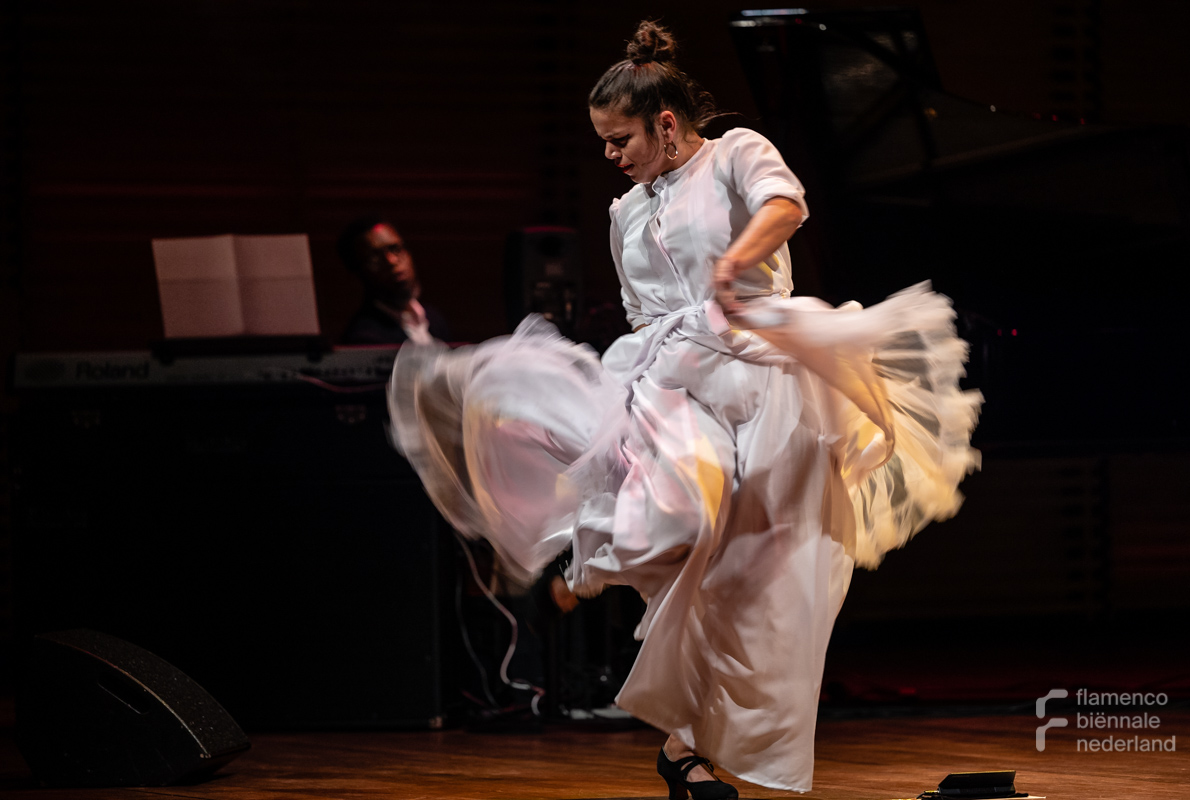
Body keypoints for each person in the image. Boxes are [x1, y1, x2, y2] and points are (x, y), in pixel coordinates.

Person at [388, 20, 981, 797]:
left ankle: (685, 749)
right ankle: (625, 615)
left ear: (666, 124)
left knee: (759, 582)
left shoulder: (736, 152)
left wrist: (736, 261)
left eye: (620, 138)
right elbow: (641, 309)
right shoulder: (623, 212)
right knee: (677, 525)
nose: (612, 155)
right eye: (603, 142)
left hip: (765, 372)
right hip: (674, 375)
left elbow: (787, 204)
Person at [336, 216, 452, 345]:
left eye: (395, 248)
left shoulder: (434, 318)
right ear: (357, 271)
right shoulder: (364, 337)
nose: (391, 261)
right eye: (375, 257)